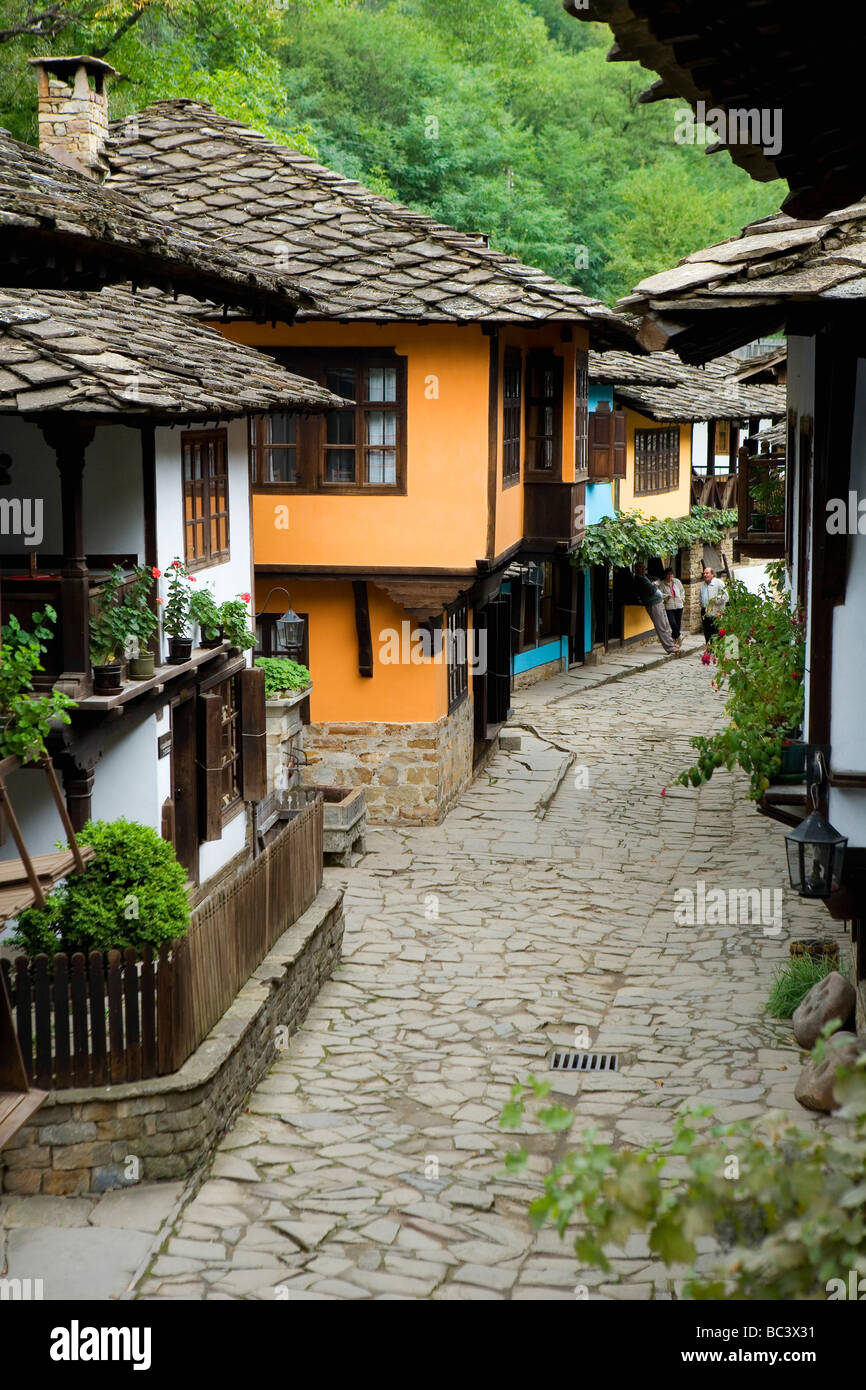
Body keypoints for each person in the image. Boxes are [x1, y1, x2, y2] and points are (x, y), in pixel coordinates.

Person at [633, 561, 682, 655]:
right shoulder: (640, 579)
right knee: (661, 626)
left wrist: (654, 583)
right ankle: (669, 647)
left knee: (666, 624)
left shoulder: (645, 576)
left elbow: (657, 580)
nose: (643, 569)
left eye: (643, 567)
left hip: (658, 602)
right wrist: (653, 584)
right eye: (640, 568)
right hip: (653, 604)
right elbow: (652, 589)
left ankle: (671, 644)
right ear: (636, 569)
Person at [700, 565, 728, 645]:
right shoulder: (703, 585)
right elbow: (701, 596)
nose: (705, 575)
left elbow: (725, 596)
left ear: (712, 574)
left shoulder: (719, 583)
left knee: (715, 631)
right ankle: (709, 649)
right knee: (706, 631)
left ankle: (716, 649)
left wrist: (714, 600)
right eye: (704, 573)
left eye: (707, 573)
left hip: (716, 611)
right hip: (705, 611)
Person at [661, 567, 685, 642]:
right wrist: (666, 597)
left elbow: (682, 591)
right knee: (672, 623)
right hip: (669, 606)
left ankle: (675, 640)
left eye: (671, 574)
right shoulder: (662, 584)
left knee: (678, 624)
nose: (670, 576)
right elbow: (660, 594)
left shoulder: (677, 581)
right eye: (668, 574)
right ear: (665, 575)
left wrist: (682, 599)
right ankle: (679, 635)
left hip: (679, 605)